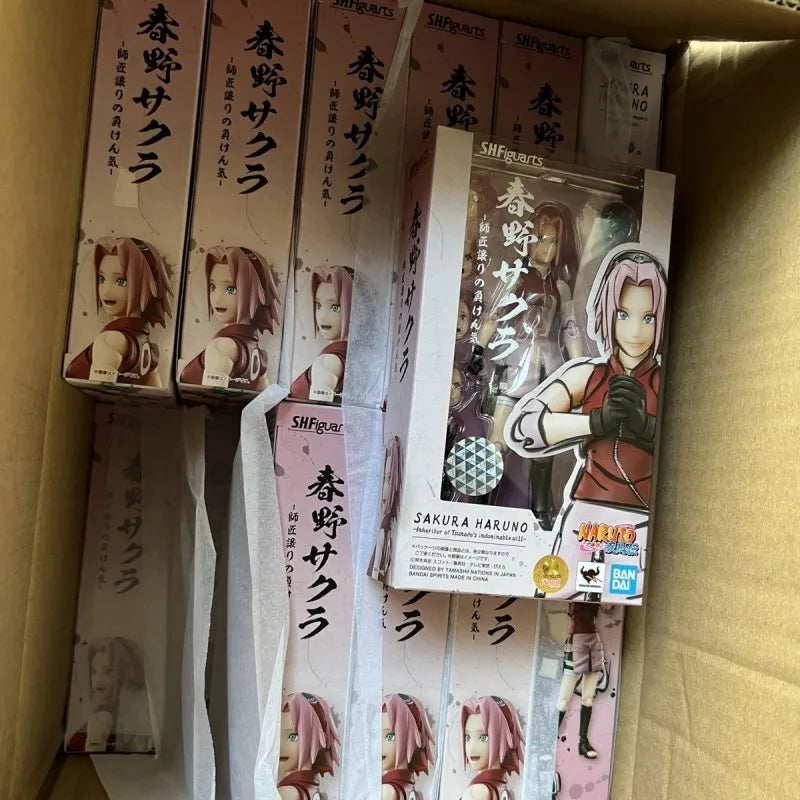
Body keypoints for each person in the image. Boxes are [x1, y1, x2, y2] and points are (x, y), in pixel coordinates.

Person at [505, 250, 666, 597]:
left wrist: (647, 428)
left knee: (616, 605)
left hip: (637, 525)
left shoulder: (663, 382)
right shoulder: (589, 375)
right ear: (609, 313)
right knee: (557, 596)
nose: (635, 331)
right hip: (584, 517)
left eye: (649, 318)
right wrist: (594, 423)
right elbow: (524, 428)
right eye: (623, 315)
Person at [469, 202, 582, 526]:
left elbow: (570, 328)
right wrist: (478, 349)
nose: (545, 247)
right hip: (514, 365)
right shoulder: (515, 277)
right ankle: (479, 504)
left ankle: (543, 511)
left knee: (544, 445)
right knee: (498, 442)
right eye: (540, 238)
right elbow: (492, 316)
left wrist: (581, 368)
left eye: (552, 241)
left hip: (549, 369)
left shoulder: (561, 287)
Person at [66, 237, 173, 386]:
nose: (106, 291)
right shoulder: (147, 349)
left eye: (121, 281)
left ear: (150, 284)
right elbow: (155, 394)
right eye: (101, 279)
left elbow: (102, 390)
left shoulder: (111, 340)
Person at [180, 245, 281, 391]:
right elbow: (265, 401)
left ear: (256, 292)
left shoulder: (222, 347)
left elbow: (212, 399)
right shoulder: (258, 355)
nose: (217, 298)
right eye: (212, 287)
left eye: (231, 289)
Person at [66, 637, 152, 754]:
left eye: (107, 672)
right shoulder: (87, 728)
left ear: (123, 674)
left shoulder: (138, 726)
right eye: (93, 672)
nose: (98, 680)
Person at [290, 266, 353, 403]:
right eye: (318, 305)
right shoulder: (350, 358)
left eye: (335, 307)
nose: (323, 316)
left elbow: (317, 412)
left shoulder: (328, 362)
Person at [556, 604, 609, 760]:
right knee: (563, 701)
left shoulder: (596, 594)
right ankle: (548, 739)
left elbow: (608, 607)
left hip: (593, 641)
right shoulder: (575, 595)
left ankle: (583, 742)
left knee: (588, 698)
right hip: (576, 643)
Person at [278, 693, 341, 800]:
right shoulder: (312, 789)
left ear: (320, 739)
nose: (281, 746)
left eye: (293, 737)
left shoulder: (286, 793)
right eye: (277, 737)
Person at [460, 696, 524, 800]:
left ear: (505, 737)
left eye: (483, 737)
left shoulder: (476, 793)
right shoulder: (501, 786)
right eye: (467, 737)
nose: (471, 748)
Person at [381, 694, 436, 800]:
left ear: (414, 737)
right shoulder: (411, 789)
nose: (379, 745)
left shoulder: (386, 791)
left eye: (390, 736)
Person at [368, 437, 402, 582]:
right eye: (384, 479)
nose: (384, 487)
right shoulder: (382, 527)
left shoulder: (386, 528)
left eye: (389, 479)